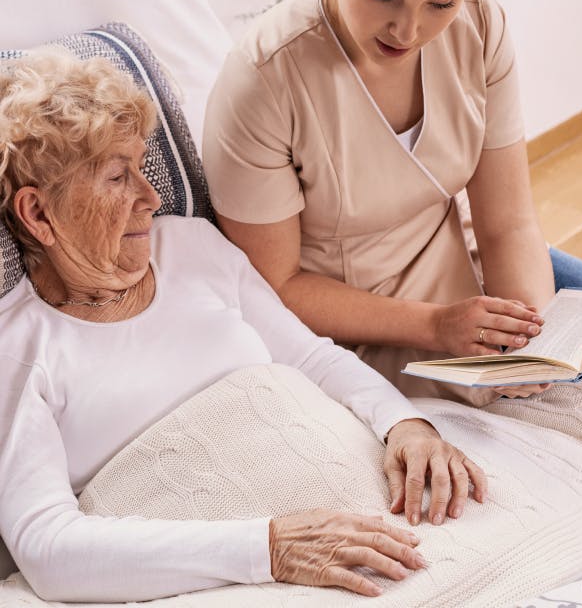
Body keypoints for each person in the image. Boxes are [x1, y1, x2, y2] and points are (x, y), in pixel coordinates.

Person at [0, 50, 487, 603]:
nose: (150, 197)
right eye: (117, 176)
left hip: (366, 508)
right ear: (38, 214)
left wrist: (405, 423)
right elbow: (48, 547)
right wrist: (268, 548)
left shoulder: (192, 246)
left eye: (141, 166)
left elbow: (310, 359)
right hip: (235, 571)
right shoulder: (14, 351)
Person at [202, 0, 582, 406]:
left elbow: (507, 222)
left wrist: (528, 339)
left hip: (467, 263)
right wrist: (438, 326)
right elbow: (277, 287)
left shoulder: (479, 22)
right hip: (355, 323)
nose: (408, 30)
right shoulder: (264, 81)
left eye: (442, 3)